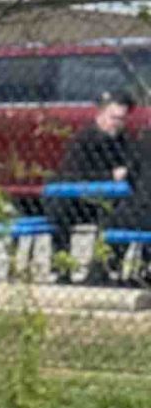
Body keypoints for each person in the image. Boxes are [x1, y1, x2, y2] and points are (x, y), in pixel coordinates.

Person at [49, 92, 149, 280]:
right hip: (79, 199)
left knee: (121, 212)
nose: (117, 123)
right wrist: (109, 175)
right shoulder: (84, 139)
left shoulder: (125, 141)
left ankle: (105, 268)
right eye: (114, 118)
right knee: (59, 207)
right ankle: (61, 266)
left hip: (108, 199)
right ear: (100, 114)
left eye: (122, 119)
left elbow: (132, 169)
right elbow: (72, 175)